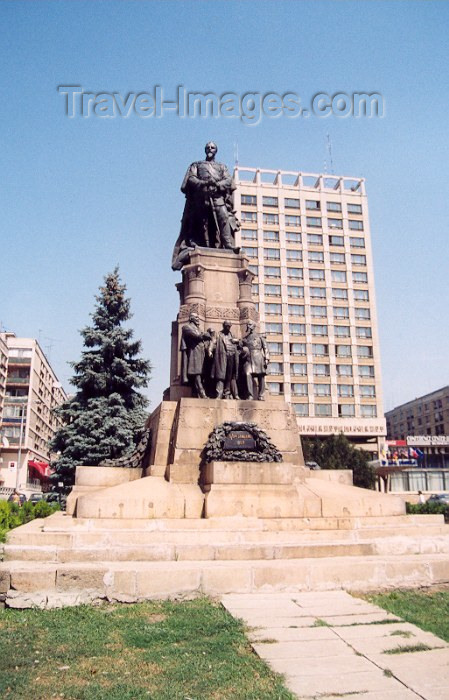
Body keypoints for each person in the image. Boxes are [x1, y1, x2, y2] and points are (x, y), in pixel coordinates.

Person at [172, 142, 240, 269]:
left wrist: (217, 184)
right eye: (208, 147)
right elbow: (191, 178)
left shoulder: (222, 166)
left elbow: (229, 180)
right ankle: (197, 243)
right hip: (201, 198)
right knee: (200, 223)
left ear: (216, 151)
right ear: (205, 150)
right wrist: (203, 183)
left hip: (217, 197)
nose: (210, 149)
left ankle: (228, 244)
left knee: (224, 218)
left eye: (212, 147)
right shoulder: (197, 165)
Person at [180, 311, 210, 398]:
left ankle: (196, 392)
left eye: (198, 317)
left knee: (201, 373)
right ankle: (202, 393)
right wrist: (206, 334)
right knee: (197, 373)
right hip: (194, 352)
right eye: (196, 317)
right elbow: (198, 336)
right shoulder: (187, 327)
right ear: (191, 318)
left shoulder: (198, 329)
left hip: (201, 352)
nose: (198, 319)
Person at [240, 320, 270, 400]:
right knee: (247, 373)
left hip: (258, 357)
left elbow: (265, 348)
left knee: (261, 376)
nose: (248, 326)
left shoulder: (260, 337)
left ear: (254, 326)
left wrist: (267, 359)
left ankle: (261, 395)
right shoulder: (245, 338)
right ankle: (250, 394)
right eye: (247, 325)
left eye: (250, 325)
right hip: (249, 358)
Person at [210, 321, 240, 399]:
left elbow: (240, 345)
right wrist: (210, 350)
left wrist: (237, 342)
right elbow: (213, 342)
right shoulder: (219, 334)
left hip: (232, 356)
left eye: (229, 326)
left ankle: (229, 393)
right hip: (222, 356)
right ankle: (219, 393)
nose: (228, 327)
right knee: (221, 376)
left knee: (230, 376)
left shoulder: (232, 335)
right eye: (226, 326)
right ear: (223, 326)